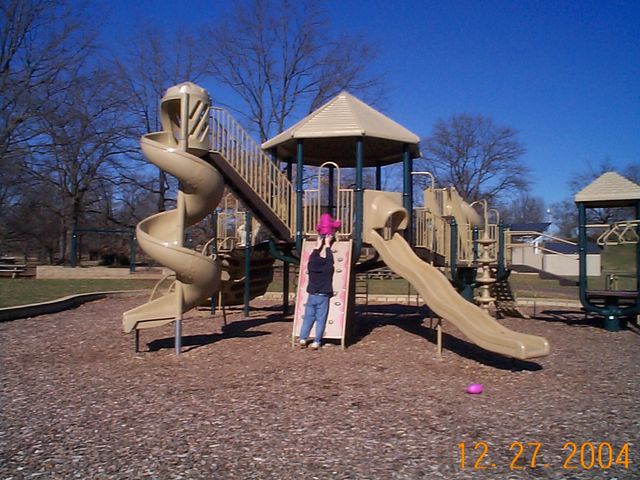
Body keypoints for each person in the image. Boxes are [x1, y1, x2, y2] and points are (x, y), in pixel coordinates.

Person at [299, 233, 335, 350]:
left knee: (308, 318)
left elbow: (312, 258)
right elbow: (330, 260)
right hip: (323, 296)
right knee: (321, 320)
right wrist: (328, 244)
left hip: (312, 295)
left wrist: (318, 246)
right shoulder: (328, 268)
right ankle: (316, 341)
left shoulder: (311, 267)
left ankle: (303, 338)